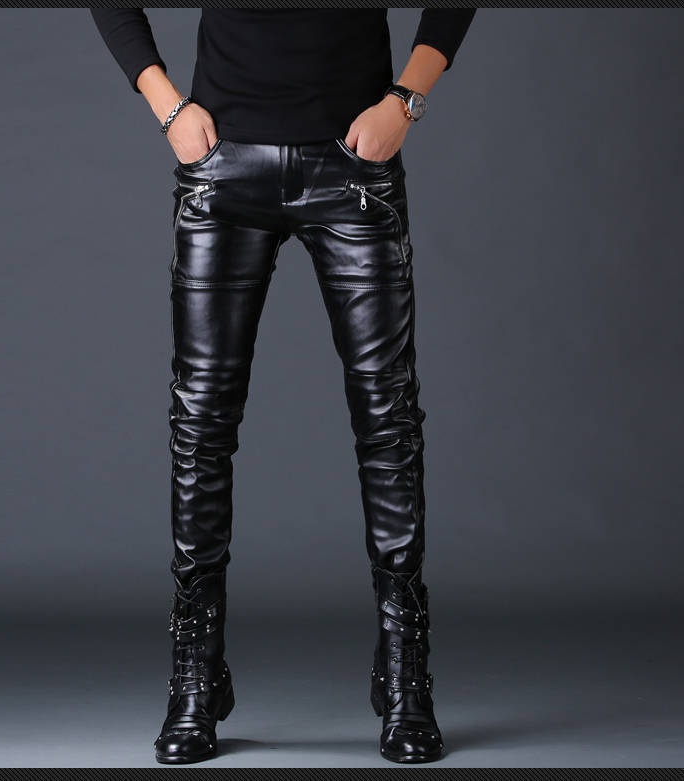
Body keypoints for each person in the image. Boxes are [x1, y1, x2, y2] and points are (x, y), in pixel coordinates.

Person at [89, 7, 476, 765]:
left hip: (354, 164)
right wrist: (167, 105)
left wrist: (405, 101)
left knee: (389, 419)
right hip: (223, 163)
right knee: (200, 425)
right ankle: (196, 674)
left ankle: (405, 675)